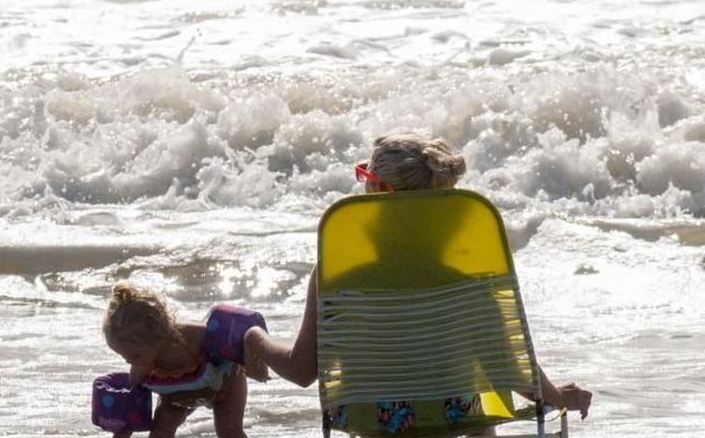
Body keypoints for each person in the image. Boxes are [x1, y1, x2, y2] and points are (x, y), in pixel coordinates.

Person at [242, 132, 592, 426]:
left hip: (371, 421)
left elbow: (303, 371)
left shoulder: (336, 275)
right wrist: (557, 395)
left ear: (377, 192)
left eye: (364, 177)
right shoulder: (468, 276)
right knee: (483, 399)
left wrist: (254, 339)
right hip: (454, 417)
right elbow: (511, 370)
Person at [101, 283, 266, 438]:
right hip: (178, 397)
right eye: (123, 356)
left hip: (223, 384)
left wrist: (254, 367)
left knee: (229, 431)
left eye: (134, 356)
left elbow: (236, 346)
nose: (129, 362)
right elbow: (130, 408)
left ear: (159, 338)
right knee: (160, 429)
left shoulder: (197, 336)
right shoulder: (140, 367)